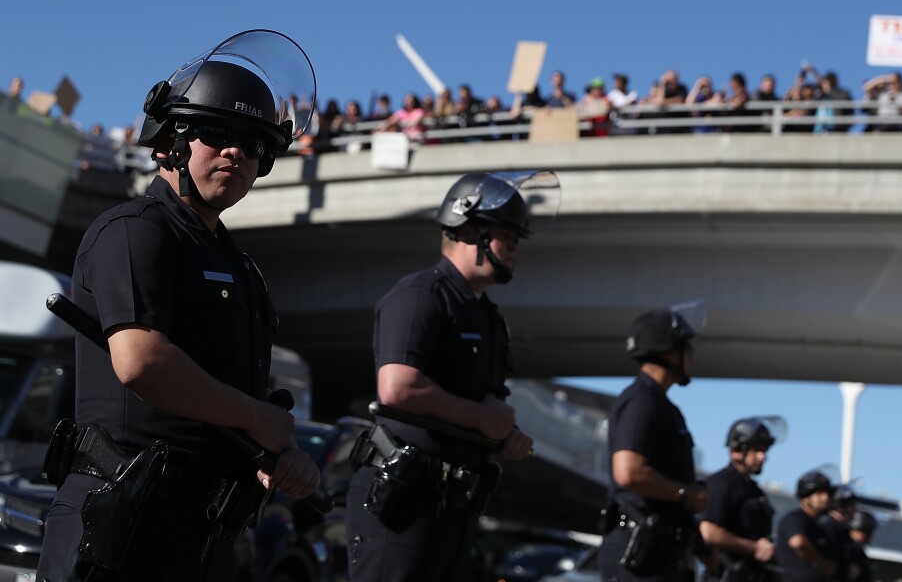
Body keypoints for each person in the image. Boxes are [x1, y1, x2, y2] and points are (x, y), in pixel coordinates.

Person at [36, 29, 322, 582]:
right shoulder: (136, 232)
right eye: (216, 131)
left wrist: (271, 455)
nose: (236, 151)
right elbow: (140, 361)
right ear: (170, 140)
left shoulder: (239, 265)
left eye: (254, 141)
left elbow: (226, 403)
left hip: (196, 534)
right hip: (119, 529)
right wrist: (259, 419)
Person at [345, 170, 561, 582]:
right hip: (402, 504)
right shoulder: (421, 295)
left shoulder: (489, 318)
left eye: (517, 239)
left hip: (455, 507)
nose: (515, 247)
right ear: (470, 230)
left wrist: (502, 434)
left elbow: (488, 407)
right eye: (506, 236)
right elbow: (397, 387)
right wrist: (483, 419)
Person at [598, 302, 711, 582]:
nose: (691, 356)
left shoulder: (660, 404)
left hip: (658, 552)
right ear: (670, 352)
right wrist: (687, 494)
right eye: (687, 347)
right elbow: (629, 471)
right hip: (640, 556)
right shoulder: (642, 400)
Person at [700, 417, 782, 582]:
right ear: (737, 451)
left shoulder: (754, 490)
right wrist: (753, 548)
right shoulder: (721, 483)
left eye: (765, 450)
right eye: (757, 450)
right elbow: (709, 531)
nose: (762, 457)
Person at [774, 471, 840, 581]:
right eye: (819, 493)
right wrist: (822, 564)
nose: (826, 498)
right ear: (805, 497)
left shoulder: (819, 526)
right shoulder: (796, 518)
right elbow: (798, 542)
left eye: (828, 493)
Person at [818, 486, 862, 581]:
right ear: (840, 505)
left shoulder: (841, 528)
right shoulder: (829, 525)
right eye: (851, 505)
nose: (854, 510)